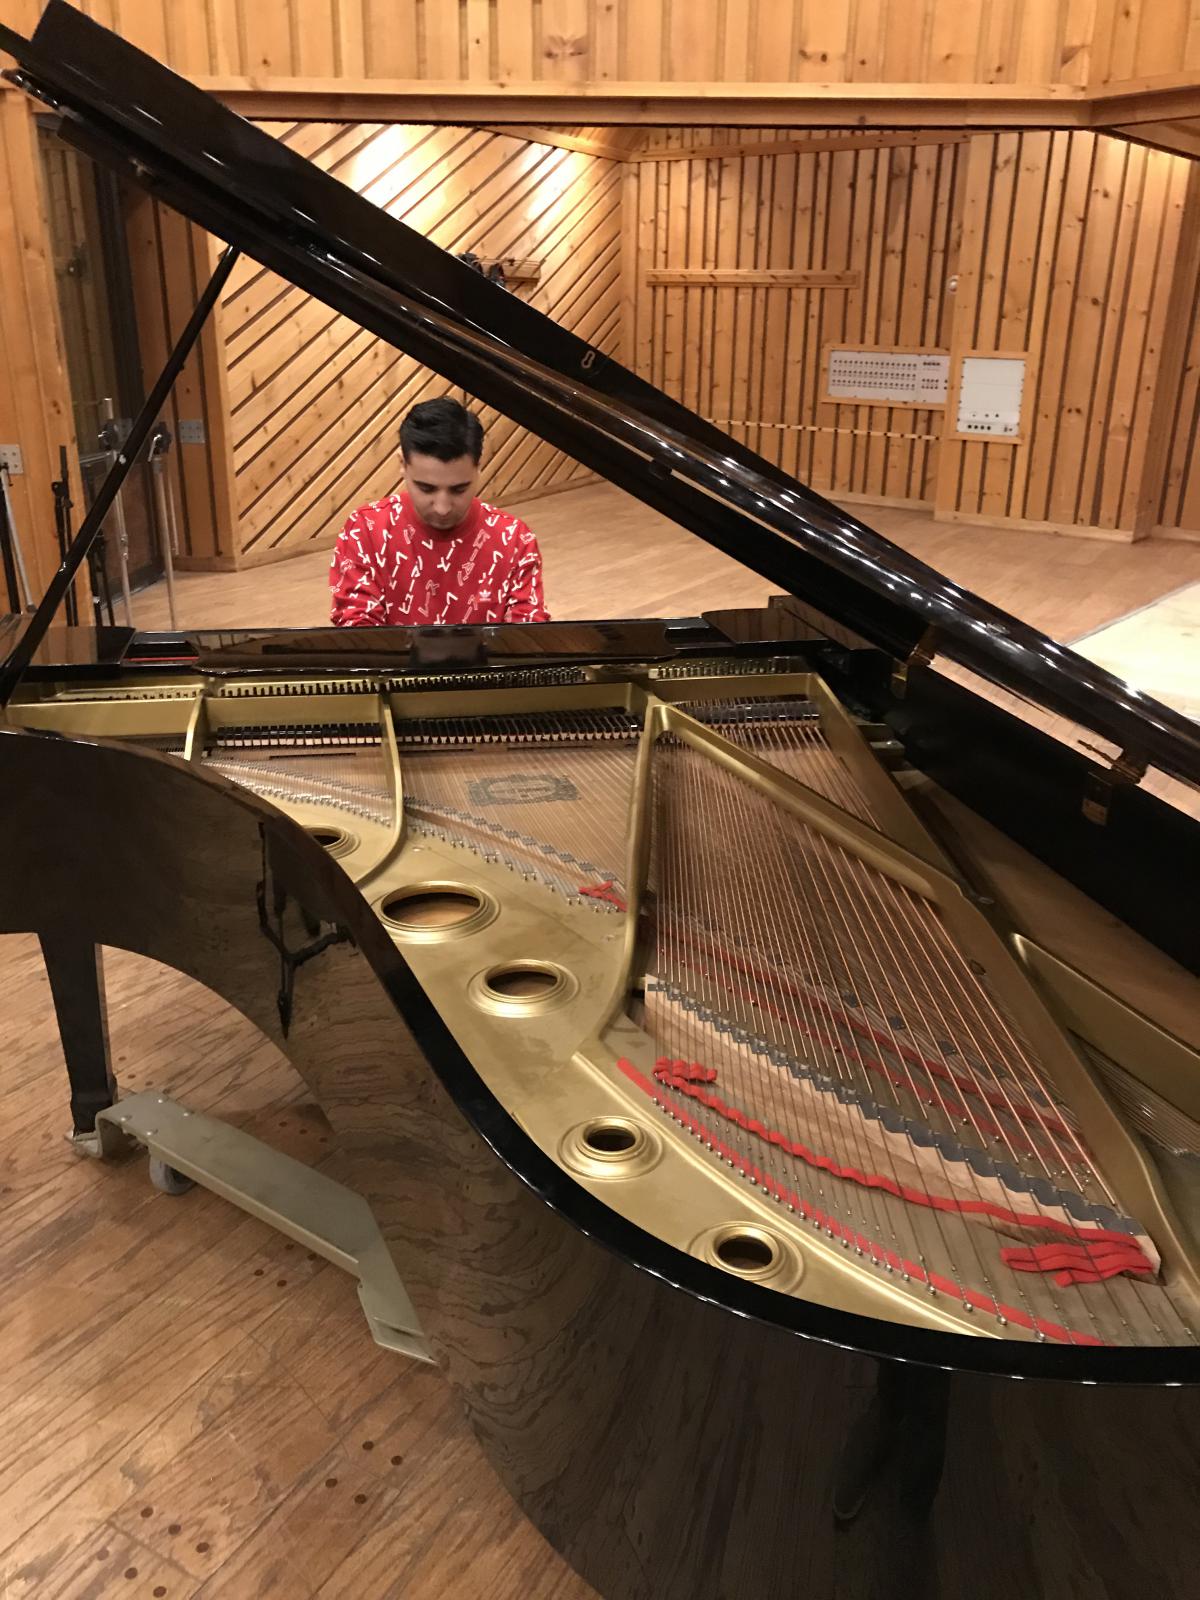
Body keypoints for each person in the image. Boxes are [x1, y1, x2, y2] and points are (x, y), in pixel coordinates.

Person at [329, 396, 549, 626]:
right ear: (402, 464)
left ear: (479, 467)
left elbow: (527, 633)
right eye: (426, 488)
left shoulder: (515, 539)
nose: (442, 508)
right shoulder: (365, 530)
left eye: (459, 489)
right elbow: (358, 629)